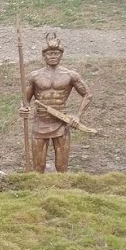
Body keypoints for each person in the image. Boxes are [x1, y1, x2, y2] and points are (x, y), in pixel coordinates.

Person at [19, 34, 92, 173]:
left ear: (61, 55)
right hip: (40, 123)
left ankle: (61, 186)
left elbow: (88, 94)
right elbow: (25, 99)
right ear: (44, 56)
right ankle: (37, 186)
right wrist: (24, 108)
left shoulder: (70, 75)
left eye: (56, 53)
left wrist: (77, 116)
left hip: (61, 123)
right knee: (38, 166)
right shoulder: (34, 76)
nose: (53, 56)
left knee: (62, 165)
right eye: (49, 53)